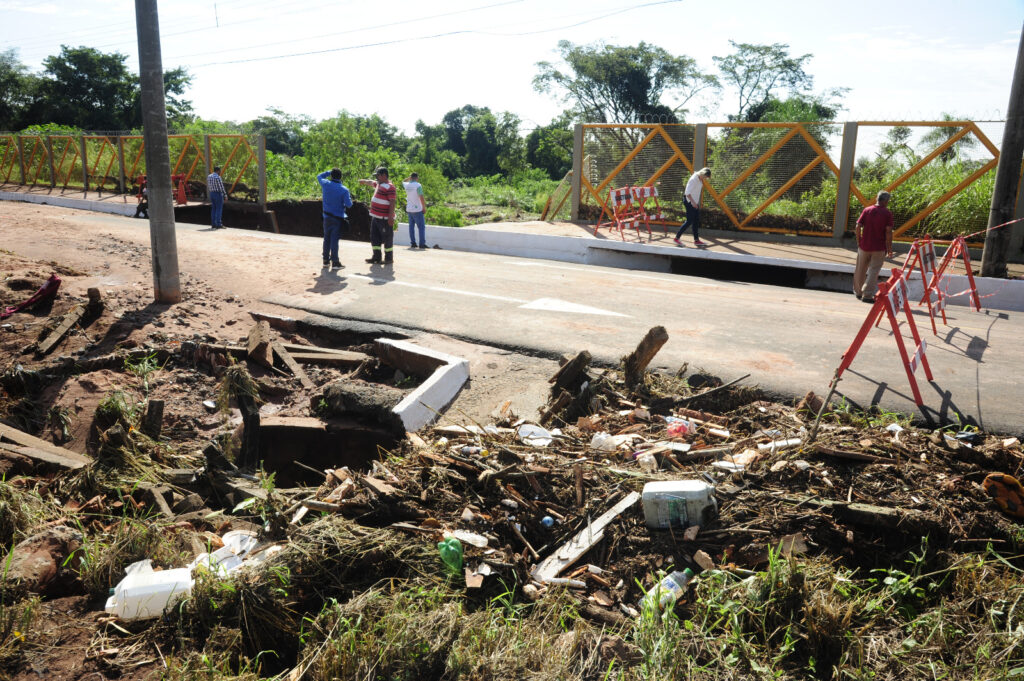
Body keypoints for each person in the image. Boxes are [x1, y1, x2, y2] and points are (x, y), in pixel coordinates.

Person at [853, 190, 895, 303]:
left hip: (864, 246)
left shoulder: (867, 210)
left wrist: (859, 240)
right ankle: (867, 295)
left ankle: (858, 292)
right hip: (879, 247)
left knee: (860, 269)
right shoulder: (887, 213)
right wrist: (890, 248)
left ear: (877, 198)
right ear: (886, 201)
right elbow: (888, 232)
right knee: (873, 271)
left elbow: (858, 226)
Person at [358, 167, 397, 265]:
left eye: (378, 176)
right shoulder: (379, 184)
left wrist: (391, 217)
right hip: (376, 217)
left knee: (387, 238)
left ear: (384, 175)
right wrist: (363, 181)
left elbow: (392, 202)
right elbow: (371, 182)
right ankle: (376, 257)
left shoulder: (390, 187)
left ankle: (388, 258)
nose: (377, 178)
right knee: (374, 237)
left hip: (385, 219)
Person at [317, 168, 353, 269]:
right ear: (341, 177)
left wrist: (328, 172)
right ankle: (335, 262)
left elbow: (319, 176)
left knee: (326, 238)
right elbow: (349, 205)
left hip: (326, 217)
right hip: (337, 218)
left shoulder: (325, 184)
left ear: (331, 176)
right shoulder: (344, 189)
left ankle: (325, 261)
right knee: (334, 240)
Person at [674, 167, 711, 248]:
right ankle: (677, 238)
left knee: (696, 220)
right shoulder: (694, 179)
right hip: (689, 201)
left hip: (694, 202)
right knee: (689, 221)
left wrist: (696, 203)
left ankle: (696, 240)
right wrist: (694, 203)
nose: (705, 179)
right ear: (702, 174)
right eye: (705, 177)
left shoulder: (700, 179)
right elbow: (687, 193)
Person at [402, 172, 428, 248]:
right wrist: (424, 207)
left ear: (411, 177)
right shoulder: (418, 185)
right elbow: (421, 197)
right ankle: (422, 244)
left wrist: (409, 178)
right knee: (421, 227)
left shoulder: (407, 185)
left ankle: (413, 243)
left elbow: (403, 181)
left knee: (411, 227)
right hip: (417, 209)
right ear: (417, 178)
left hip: (409, 209)